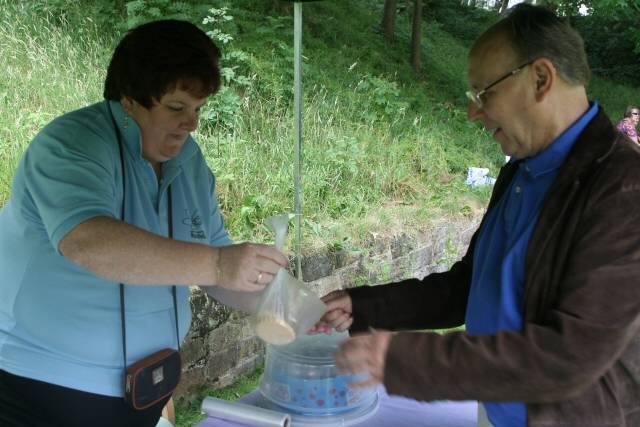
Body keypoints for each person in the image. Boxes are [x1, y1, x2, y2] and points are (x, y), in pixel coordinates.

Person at [313, 5, 640, 427]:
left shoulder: (623, 186)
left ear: (541, 79)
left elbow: (571, 354)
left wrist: (404, 360)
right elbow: (469, 287)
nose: (474, 113)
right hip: (497, 408)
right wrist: (366, 306)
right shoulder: (521, 170)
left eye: (485, 93)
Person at [0, 19, 288, 427]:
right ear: (129, 99)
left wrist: (286, 302)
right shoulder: (73, 144)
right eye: (176, 107)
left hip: (145, 391)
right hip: (40, 389)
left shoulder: (188, 161)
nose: (192, 124)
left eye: (197, 109)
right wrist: (220, 263)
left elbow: (216, 263)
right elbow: (88, 241)